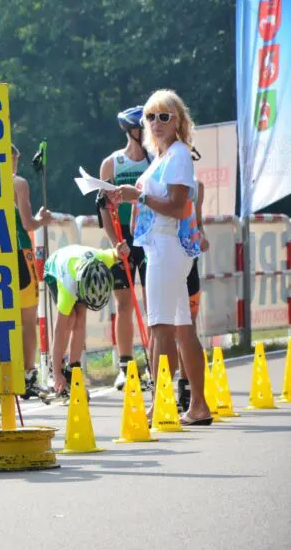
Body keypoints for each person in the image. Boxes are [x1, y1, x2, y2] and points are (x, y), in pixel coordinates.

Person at [107, 89, 211, 426]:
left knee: (160, 329)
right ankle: (196, 405)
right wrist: (135, 201)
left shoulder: (178, 155)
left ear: (178, 121)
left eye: (164, 116)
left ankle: (162, 404)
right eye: (150, 117)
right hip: (162, 247)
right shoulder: (167, 156)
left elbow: (179, 207)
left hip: (166, 247)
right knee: (181, 328)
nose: (155, 123)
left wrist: (141, 198)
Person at [98, 106, 152, 390]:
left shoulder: (155, 159)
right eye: (144, 127)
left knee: (153, 302)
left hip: (149, 237)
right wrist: (114, 243)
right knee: (124, 303)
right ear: (132, 131)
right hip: (123, 239)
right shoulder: (112, 163)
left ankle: (156, 364)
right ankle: (125, 365)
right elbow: (103, 207)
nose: (149, 132)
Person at [43, 244, 123, 397]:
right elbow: (58, 330)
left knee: (81, 316)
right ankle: (58, 368)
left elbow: (115, 253)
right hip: (56, 267)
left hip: (82, 266)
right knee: (70, 318)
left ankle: (74, 367)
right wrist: (57, 372)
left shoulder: (103, 259)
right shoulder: (68, 288)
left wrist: (122, 251)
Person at [12, 144, 53, 397]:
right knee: (27, 320)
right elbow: (28, 223)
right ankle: (27, 374)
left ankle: (8, 371)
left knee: (6, 318)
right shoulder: (18, 183)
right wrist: (42, 220)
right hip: (20, 252)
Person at [177, 175, 208, 411]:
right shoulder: (156, 176)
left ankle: (189, 389)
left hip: (190, 261)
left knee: (189, 325)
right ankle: (171, 388)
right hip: (166, 260)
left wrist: (203, 237)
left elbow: (198, 222)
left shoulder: (197, 185)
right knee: (166, 327)